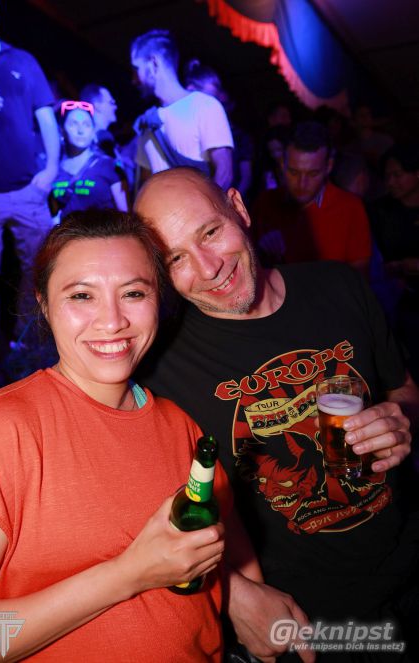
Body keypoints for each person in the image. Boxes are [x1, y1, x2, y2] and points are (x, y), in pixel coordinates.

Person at [135, 167, 419, 662]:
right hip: (314, 621)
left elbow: (404, 387)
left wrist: (402, 417)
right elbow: (143, 516)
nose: (209, 269)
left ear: (239, 209)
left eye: (210, 232)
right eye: (176, 258)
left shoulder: (340, 286)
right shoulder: (161, 367)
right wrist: (232, 591)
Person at [0, 209, 277, 662]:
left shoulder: (183, 427)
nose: (112, 320)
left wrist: (248, 600)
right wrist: (127, 575)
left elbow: (226, 550)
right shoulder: (5, 428)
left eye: (133, 293)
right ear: (44, 304)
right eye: (82, 296)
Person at [0, 0, 60, 376]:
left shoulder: (22, 59)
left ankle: (32, 346)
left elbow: (46, 117)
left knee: (41, 269)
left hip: (29, 189)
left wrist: (51, 170)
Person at [252, 121, 372, 275]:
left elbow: (359, 277)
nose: (302, 183)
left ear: (328, 167)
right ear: (282, 164)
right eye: (294, 172)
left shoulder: (350, 208)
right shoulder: (265, 203)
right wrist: (260, 253)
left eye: (313, 174)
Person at [131, 29, 233, 189]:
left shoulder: (204, 105)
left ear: (153, 63)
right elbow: (145, 183)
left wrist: (200, 205)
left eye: (136, 69)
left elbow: (224, 173)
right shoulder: (149, 121)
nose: (134, 80)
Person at [368, 143, 419, 383]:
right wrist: (399, 267)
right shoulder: (380, 211)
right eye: (387, 176)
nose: (391, 182)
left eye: (397, 175)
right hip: (397, 298)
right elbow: (374, 261)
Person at [184, 58, 254, 200]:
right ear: (190, 90)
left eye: (218, 101)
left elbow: (237, 176)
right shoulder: (183, 126)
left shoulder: (238, 136)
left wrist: (228, 202)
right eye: (209, 101)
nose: (215, 107)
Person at [49, 100, 128, 218]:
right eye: (73, 124)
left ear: (93, 131)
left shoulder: (109, 166)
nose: (80, 130)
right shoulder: (54, 170)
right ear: (62, 131)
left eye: (86, 125)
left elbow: (125, 215)